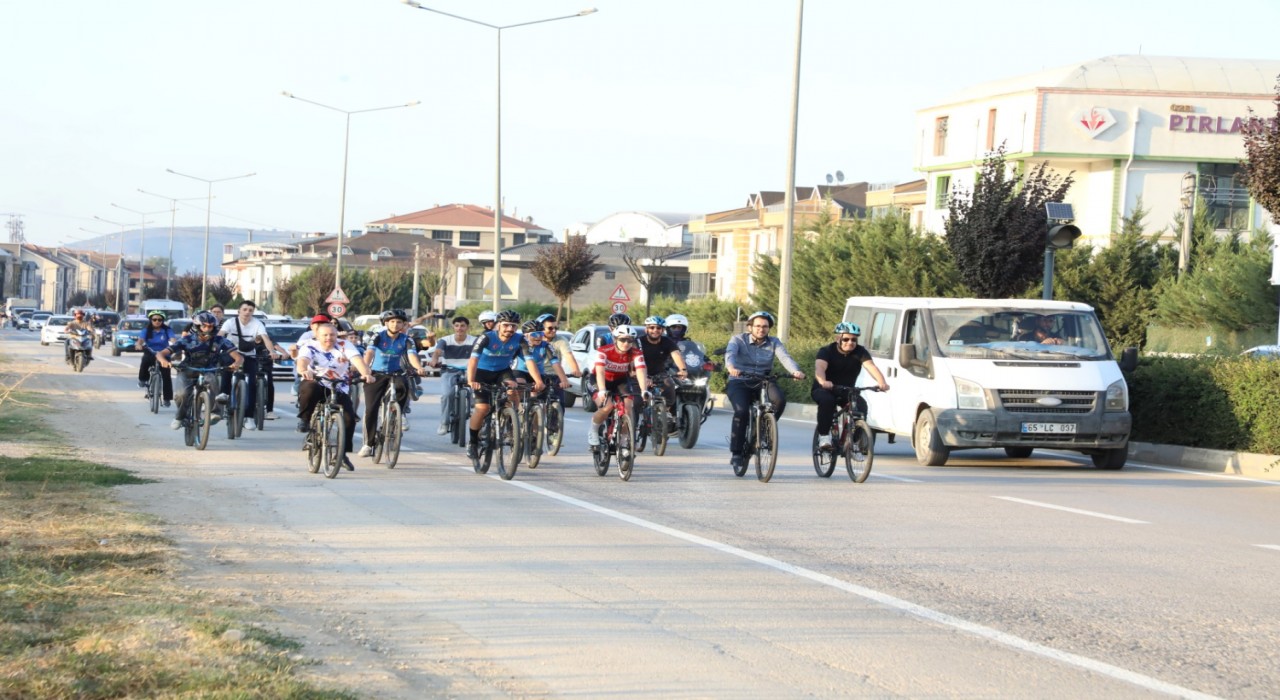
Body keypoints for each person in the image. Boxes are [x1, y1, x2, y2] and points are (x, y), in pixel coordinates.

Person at [724, 311, 805, 471]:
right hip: (740, 380)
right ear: (750, 327)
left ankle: (765, 430)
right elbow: (730, 354)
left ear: (769, 329)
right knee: (741, 412)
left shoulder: (774, 342)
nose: (761, 329)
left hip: (764, 380)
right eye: (758, 326)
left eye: (765, 327)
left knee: (779, 400)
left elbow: (785, 358)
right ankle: (737, 452)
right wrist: (731, 368)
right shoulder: (738, 339)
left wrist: (796, 371)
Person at [465, 310, 544, 460]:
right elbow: (473, 360)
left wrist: (538, 381)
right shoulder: (486, 337)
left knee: (513, 387)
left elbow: (529, 361)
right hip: (481, 372)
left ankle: (510, 419)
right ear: (498, 325)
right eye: (506, 325)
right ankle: (473, 442)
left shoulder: (520, 339)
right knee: (482, 408)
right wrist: (471, 380)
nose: (510, 329)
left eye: (513, 326)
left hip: (502, 371)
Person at [296, 323, 374, 471]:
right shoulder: (310, 345)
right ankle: (305, 420)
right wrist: (304, 371)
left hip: (338, 386)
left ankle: (342, 455)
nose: (329, 338)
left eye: (332, 335)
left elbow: (357, 359)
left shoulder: (345, 345)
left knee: (349, 419)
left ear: (337, 335)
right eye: (325, 335)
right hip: (316, 381)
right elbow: (302, 361)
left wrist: (366, 374)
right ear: (317, 336)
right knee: (309, 388)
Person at [358, 309, 428, 457]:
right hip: (377, 374)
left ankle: (398, 415)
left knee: (403, 386)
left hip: (396, 372)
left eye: (399, 322)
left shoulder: (406, 340)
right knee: (371, 408)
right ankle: (368, 444)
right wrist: (365, 370)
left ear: (404, 325)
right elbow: (369, 353)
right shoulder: (377, 336)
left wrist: (419, 368)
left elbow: (412, 356)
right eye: (392, 322)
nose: (396, 325)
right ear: (386, 323)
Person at [157, 311, 243, 431]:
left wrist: (236, 364)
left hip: (209, 370)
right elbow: (161, 353)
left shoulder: (220, 340)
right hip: (187, 370)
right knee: (180, 395)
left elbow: (238, 357)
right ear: (198, 326)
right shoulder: (186, 339)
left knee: (212, 382)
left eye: (210, 326)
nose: (207, 329)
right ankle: (180, 417)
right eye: (204, 326)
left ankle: (214, 412)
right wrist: (163, 361)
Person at [812, 322, 889, 450]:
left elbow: (871, 367)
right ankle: (824, 437)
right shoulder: (826, 351)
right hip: (824, 389)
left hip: (846, 390)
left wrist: (882, 382)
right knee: (827, 402)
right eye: (846, 339)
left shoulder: (860, 351)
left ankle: (852, 441)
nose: (850, 342)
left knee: (861, 406)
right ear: (838, 339)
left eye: (854, 339)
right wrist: (823, 381)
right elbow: (820, 368)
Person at [219, 301, 285, 426]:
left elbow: (266, 338)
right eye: (244, 309)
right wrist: (214, 347)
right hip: (232, 352)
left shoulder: (257, 323)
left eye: (250, 310)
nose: (247, 312)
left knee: (251, 383)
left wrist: (272, 351)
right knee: (227, 368)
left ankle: (249, 417)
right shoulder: (230, 322)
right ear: (239, 311)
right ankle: (224, 393)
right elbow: (220, 335)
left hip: (249, 354)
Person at [587, 324, 648, 448]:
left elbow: (641, 371)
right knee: (607, 406)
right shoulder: (604, 351)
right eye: (622, 339)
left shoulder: (636, 353)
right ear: (615, 339)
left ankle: (625, 438)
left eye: (630, 340)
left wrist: (644, 390)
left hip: (620, 380)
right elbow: (600, 371)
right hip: (600, 379)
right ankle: (593, 430)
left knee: (628, 407)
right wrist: (602, 390)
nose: (626, 343)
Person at [513, 320, 571, 425]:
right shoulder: (520, 345)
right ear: (526, 335)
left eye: (541, 333)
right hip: (520, 371)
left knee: (540, 402)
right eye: (535, 334)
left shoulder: (546, 345)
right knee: (519, 383)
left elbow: (556, 363)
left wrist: (564, 380)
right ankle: (517, 411)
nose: (538, 337)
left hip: (538, 374)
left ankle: (535, 431)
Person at [431, 316, 477, 435]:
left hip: (469, 370)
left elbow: (480, 353)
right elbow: (437, 352)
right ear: (453, 327)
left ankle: (472, 407)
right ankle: (444, 422)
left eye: (462, 326)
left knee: (478, 392)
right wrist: (434, 360)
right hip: (449, 370)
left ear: (467, 327)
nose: (459, 328)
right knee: (447, 394)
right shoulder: (445, 340)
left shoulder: (474, 340)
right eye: (457, 325)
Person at [637, 315, 689, 417]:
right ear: (646, 329)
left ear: (663, 330)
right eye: (652, 328)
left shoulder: (667, 342)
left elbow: (676, 355)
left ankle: (664, 414)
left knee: (670, 386)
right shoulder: (638, 342)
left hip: (659, 373)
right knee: (635, 401)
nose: (655, 330)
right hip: (639, 374)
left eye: (658, 328)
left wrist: (683, 369)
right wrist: (644, 377)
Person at [584, 312, 633, 402]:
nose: (620, 330)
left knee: (630, 403)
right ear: (610, 328)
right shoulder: (603, 339)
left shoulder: (633, 339)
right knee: (604, 406)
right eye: (615, 327)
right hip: (604, 374)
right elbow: (600, 360)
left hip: (621, 376)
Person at [135, 310, 176, 407]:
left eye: (159, 319)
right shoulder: (146, 330)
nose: (157, 321)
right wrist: (139, 345)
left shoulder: (167, 330)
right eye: (154, 319)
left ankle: (167, 399)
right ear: (151, 320)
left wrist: (175, 345)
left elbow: (173, 340)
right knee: (145, 361)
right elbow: (140, 340)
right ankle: (142, 380)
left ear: (162, 321)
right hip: (150, 352)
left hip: (164, 354)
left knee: (166, 375)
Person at [290, 313, 333, 396]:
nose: (320, 326)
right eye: (318, 324)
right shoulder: (307, 337)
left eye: (323, 324)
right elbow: (297, 352)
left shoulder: (333, 337)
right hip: (311, 367)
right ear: (312, 326)